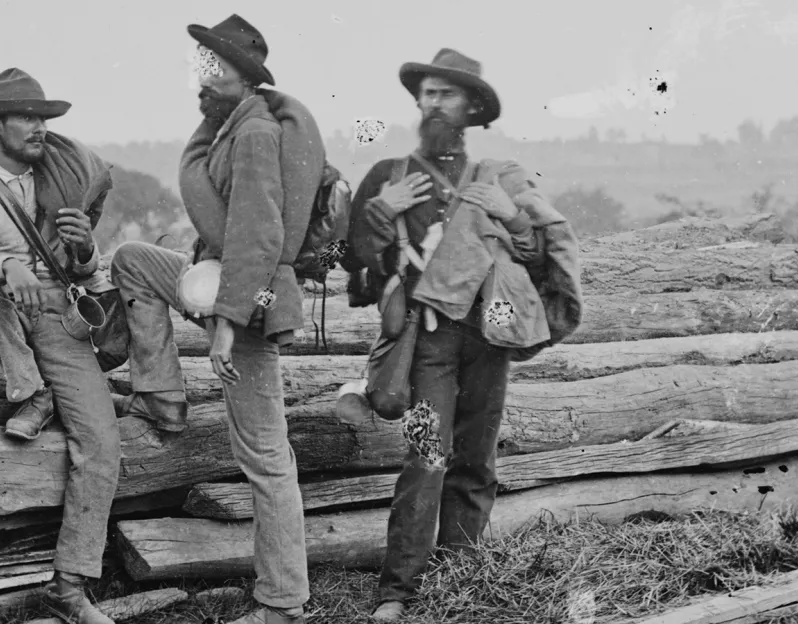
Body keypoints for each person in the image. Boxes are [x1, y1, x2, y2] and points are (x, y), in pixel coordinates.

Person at [346, 49, 583, 621]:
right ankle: (398, 592)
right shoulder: (389, 176)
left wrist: (513, 216)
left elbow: (536, 256)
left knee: (476, 459)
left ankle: (461, 581)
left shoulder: (499, 178)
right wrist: (379, 213)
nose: (433, 103)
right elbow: (353, 262)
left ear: (472, 107)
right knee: (427, 457)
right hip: (426, 340)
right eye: (426, 93)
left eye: (445, 93)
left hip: (488, 338)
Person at [109, 14, 324, 624]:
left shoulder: (254, 133)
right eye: (198, 66)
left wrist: (226, 324)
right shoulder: (227, 126)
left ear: (246, 76)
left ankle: (284, 603)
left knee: (265, 456)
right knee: (132, 261)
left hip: (251, 303)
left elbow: (259, 235)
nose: (200, 78)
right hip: (218, 281)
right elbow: (224, 224)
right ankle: (162, 396)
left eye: (213, 67)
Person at [0, 67, 120, 624]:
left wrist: (85, 249)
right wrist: (4, 266)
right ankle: (31, 391)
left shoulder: (58, 184)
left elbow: (83, 274)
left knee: (101, 441)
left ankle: (69, 586)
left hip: (59, 318)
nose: (39, 126)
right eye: (25, 117)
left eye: (42, 116)